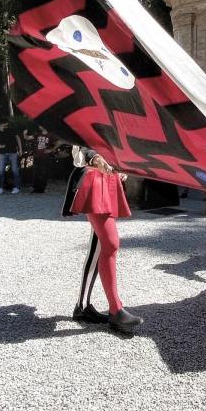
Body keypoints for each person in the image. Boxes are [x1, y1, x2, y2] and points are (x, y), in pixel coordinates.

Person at [64, 146, 142, 334]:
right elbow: (79, 145)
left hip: (106, 178)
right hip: (94, 178)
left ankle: (82, 307)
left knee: (98, 246)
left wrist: (120, 165)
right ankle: (115, 310)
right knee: (110, 243)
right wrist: (96, 159)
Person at [0, 120, 22, 194]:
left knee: (14, 170)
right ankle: (0, 187)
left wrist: (20, 149)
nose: (6, 127)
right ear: (0, 125)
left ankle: (16, 187)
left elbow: (18, 139)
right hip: (2, 153)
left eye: (7, 125)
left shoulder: (11, 130)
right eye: (4, 125)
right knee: (0, 171)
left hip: (13, 152)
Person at [30, 125, 53, 193]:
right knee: (36, 172)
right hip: (37, 156)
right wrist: (24, 134)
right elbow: (28, 138)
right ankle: (35, 188)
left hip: (45, 157)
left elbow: (59, 142)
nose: (39, 126)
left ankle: (42, 188)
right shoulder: (37, 134)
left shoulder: (50, 135)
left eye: (40, 125)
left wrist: (51, 150)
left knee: (44, 172)